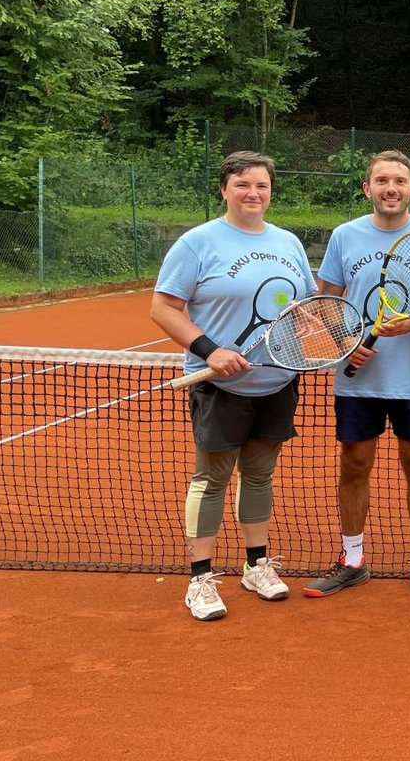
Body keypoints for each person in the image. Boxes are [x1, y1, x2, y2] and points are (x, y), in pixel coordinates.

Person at [150, 151, 315, 621]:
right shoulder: (197, 243)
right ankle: (201, 577)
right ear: (224, 189)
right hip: (221, 386)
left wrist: (301, 318)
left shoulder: (288, 242)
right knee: (212, 478)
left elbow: (297, 299)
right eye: (243, 184)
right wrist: (210, 351)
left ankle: (256, 564)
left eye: (261, 185)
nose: (253, 193)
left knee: (260, 475)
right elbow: (163, 308)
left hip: (277, 379)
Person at [304, 150, 410, 602]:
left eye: (399, 181)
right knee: (354, 466)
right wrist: (348, 344)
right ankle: (352, 560)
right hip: (357, 380)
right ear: (367, 188)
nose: (390, 188)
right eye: (381, 181)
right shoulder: (344, 236)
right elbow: (328, 302)